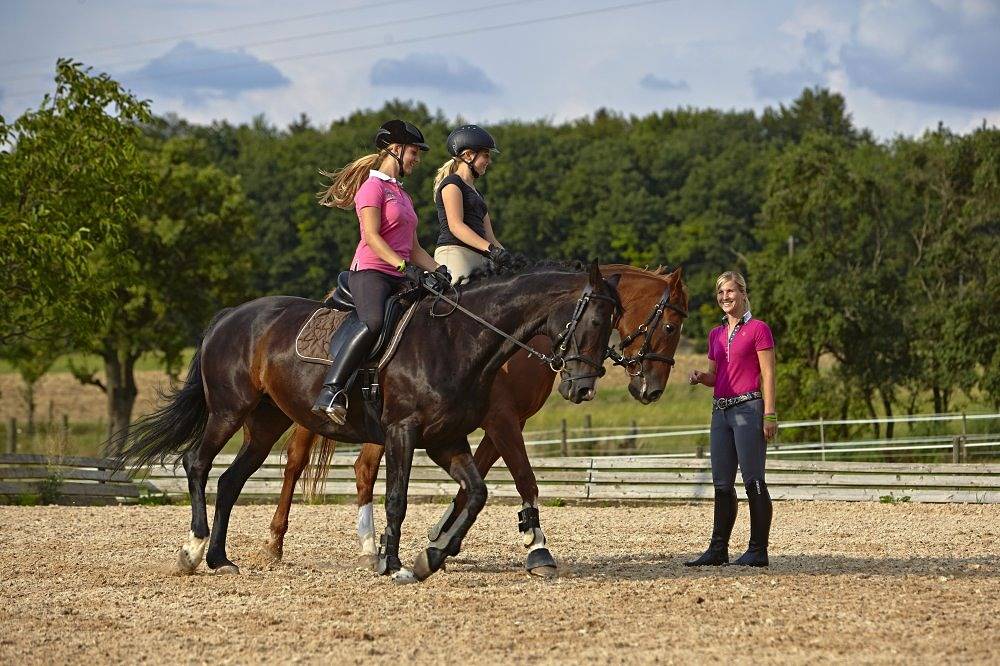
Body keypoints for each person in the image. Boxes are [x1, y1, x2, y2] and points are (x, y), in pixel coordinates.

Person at [311, 119, 450, 424]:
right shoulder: (371, 188)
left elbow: (414, 248)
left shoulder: (403, 195)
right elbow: (372, 237)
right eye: (414, 152)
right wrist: (403, 266)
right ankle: (331, 390)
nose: (417, 159)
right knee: (373, 322)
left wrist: (440, 270)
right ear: (396, 150)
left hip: (400, 275)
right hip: (370, 272)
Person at [686, 271, 777, 567]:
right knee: (722, 483)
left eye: (730, 291)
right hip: (720, 412)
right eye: (720, 293)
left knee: (753, 479)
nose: (725, 297)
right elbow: (716, 376)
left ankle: (758, 550)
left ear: (742, 293)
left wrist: (770, 414)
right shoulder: (715, 334)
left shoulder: (759, 329)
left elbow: (768, 374)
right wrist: (701, 377)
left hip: (749, 409)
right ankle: (718, 549)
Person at [432, 124, 511, 282]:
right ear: (468, 155)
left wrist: (509, 259)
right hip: (455, 253)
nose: (489, 161)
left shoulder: (477, 194)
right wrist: (490, 250)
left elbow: (490, 237)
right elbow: (456, 226)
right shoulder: (452, 184)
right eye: (486, 155)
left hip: (480, 257)